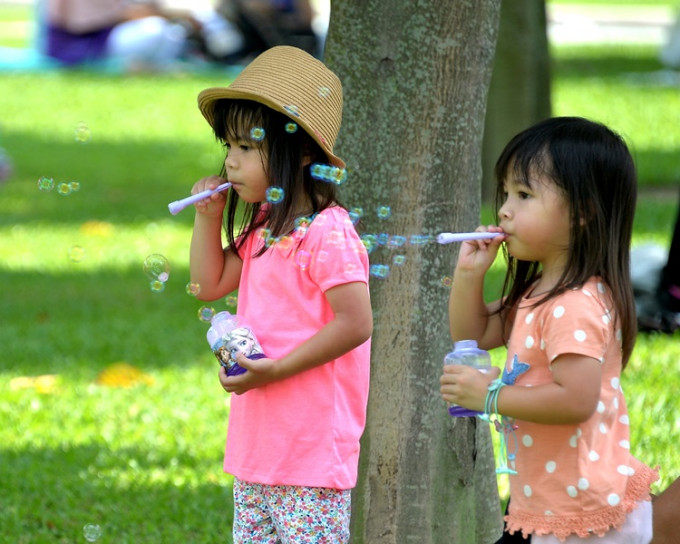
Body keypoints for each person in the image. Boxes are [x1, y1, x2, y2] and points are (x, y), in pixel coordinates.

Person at [440, 117, 659, 543]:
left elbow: (576, 399)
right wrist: (468, 275)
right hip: (547, 498)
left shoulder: (573, 303)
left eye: (524, 195)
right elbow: (475, 334)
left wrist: (490, 396)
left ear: (582, 211)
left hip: (581, 513)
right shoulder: (541, 291)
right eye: (505, 193)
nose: (504, 209)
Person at [188, 46, 372, 542]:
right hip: (258, 449)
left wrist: (277, 370)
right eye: (228, 147)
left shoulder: (327, 232)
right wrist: (208, 221)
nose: (230, 161)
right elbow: (206, 285)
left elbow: (356, 323)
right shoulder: (266, 226)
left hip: (311, 454)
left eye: (246, 147)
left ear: (302, 151)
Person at [45, 0, 201, 70]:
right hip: (84, 42)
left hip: (111, 34)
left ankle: (153, 68)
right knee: (154, 30)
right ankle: (137, 67)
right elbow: (79, 23)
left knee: (171, 33)